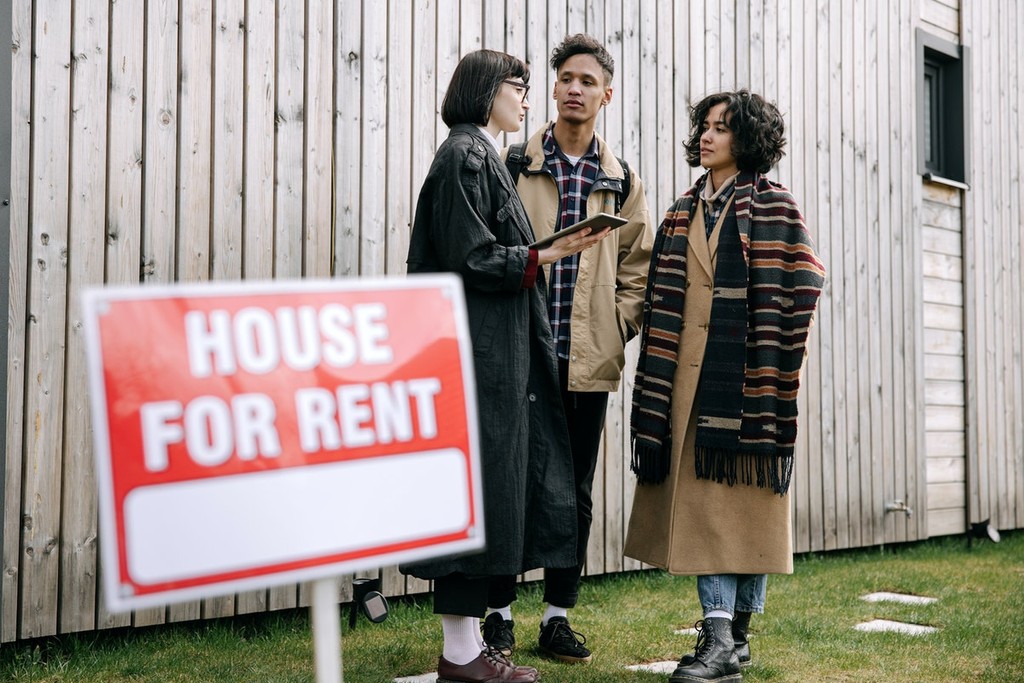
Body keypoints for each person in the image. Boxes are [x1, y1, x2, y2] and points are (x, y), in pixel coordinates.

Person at [401, 49, 611, 683]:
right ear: (487, 90)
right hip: (477, 356)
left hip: (489, 354)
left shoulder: (477, 154)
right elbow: (473, 257)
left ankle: (466, 652)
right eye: (518, 87)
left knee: (483, 494)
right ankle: (462, 657)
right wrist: (545, 256)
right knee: (472, 494)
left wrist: (545, 251)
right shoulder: (466, 155)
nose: (527, 99)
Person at [623, 90, 825, 683]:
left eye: (722, 128)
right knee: (708, 510)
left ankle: (731, 640)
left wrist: (769, 349)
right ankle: (720, 636)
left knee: (745, 514)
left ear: (749, 139)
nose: (707, 137)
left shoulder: (777, 207)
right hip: (683, 383)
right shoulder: (681, 210)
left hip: (748, 382)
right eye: (704, 127)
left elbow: (805, 283)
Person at [481, 34, 653, 665]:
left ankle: (557, 617)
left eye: (588, 80)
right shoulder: (509, 164)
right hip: (521, 354)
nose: (574, 89)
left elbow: (639, 268)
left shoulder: (622, 180)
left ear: (606, 94)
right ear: (553, 89)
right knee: (508, 483)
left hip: (585, 361)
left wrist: (617, 323)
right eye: (565, 79)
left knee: (572, 489)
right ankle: (496, 614)